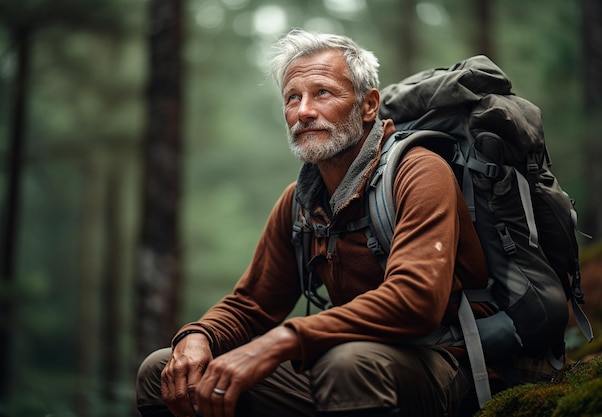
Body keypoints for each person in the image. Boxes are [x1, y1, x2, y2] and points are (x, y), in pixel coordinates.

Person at [136, 28, 495, 417]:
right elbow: (252, 305)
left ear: (368, 105)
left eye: (322, 92)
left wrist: (283, 341)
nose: (304, 111)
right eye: (293, 97)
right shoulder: (300, 202)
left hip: (445, 362)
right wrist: (197, 335)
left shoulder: (420, 172)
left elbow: (416, 301)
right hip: (343, 366)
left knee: (346, 365)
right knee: (163, 371)